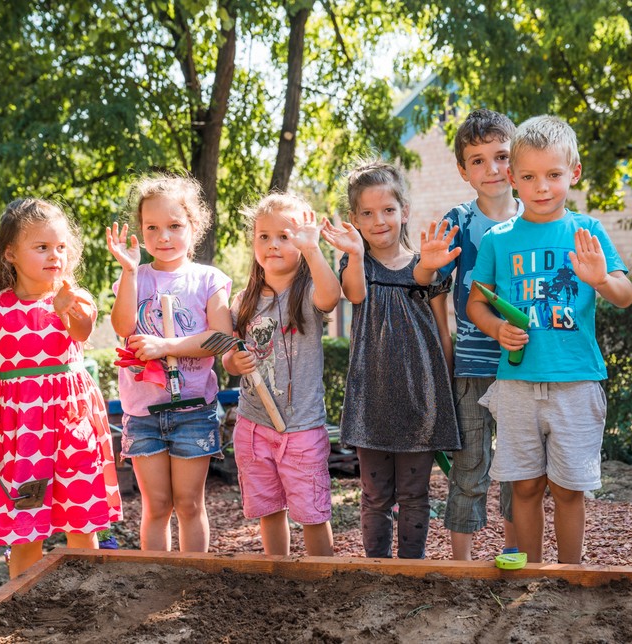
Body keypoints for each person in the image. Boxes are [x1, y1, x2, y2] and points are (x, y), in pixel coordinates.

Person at [467, 116, 632, 564]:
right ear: (512, 178)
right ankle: (533, 574)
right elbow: (476, 304)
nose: (542, 187)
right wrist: (495, 328)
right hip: (518, 384)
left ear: (573, 173)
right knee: (524, 485)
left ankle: (570, 574)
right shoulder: (498, 241)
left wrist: (601, 279)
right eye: (529, 176)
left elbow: (626, 295)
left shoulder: (589, 232)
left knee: (567, 487)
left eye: (554, 175)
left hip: (576, 381)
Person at [0, 198, 122, 579]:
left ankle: (91, 596)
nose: (55, 256)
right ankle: (21, 605)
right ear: (10, 254)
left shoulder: (75, 298)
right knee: (24, 524)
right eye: (42, 247)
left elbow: (81, 334)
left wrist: (68, 308)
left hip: (73, 426)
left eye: (61, 247)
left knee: (81, 522)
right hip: (21, 432)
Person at [324, 160, 461, 559]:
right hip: (373, 402)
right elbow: (355, 295)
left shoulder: (426, 265)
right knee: (375, 495)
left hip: (422, 400)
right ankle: (378, 569)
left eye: (387, 210)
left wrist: (447, 387)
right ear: (354, 219)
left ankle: (411, 569)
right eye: (366, 213)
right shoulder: (356, 266)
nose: (378, 220)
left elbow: (439, 325)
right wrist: (351, 253)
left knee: (415, 494)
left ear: (404, 211)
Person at [414, 108, 522, 560]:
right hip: (474, 364)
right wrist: (428, 264)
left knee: (520, 469)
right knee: (470, 465)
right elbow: (427, 284)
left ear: (517, 160)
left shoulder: (537, 214)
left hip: (526, 367)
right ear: (463, 170)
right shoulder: (458, 219)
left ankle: (516, 553)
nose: (491, 169)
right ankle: (463, 563)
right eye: (477, 160)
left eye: (500, 156)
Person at [106, 173, 232, 552]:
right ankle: (155, 583)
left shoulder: (208, 279)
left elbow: (221, 338)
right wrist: (128, 272)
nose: (163, 237)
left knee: (189, 505)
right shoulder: (134, 277)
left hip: (194, 410)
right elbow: (123, 327)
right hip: (143, 413)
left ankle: (193, 584)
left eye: (175, 226)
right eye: (152, 228)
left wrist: (166, 345)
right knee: (157, 506)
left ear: (195, 227)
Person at [222, 192, 352, 556]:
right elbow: (229, 360)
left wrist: (313, 250)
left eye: (285, 235)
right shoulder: (243, 300)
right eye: (264, 236)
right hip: (254, 424)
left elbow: (332, 295)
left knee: (312, 512)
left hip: (301, 427)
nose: (273, 244)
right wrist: (235, 362)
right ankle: (278, 571)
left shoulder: (308, 291)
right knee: (269, 510)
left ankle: (320, 577)